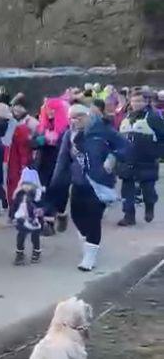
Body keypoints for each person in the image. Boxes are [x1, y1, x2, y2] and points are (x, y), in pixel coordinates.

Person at [50, 103, 128, 271]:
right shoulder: (69, 135)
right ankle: (88, 243)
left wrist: (113, 157)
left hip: (99, 183)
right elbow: (62, 160)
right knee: (78, 218)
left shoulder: (103, 131)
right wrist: (55, 185)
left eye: (79, 116)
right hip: (78, 182)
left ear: (89, 116)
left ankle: (90, 256)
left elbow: (125, 146)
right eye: (71, 117)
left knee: (93, 220)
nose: (75, 120)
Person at [116, 90, 164, 226]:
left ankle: (150, 207)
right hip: (127, 161)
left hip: (147, 161)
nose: (136, 104)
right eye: (134, 101)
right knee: (127, 191)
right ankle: (128, 216)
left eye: (140, 101)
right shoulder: (125, 118)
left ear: (146, 102)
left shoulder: (153, 118)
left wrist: (157, 153)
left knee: (148, 189)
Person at [36, 97, 70, 233]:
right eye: (48, 109)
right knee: (45, 192)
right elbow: (33, 142)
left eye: (53, 109)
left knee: (58, 193)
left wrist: (55, 141)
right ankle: (47, 223)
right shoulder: (42, 126)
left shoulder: (66, 128)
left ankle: (59, 215)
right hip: (43, 163)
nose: (50, 112)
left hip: (60, 163)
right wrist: (40, 140)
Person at [10, 168, 44, 266]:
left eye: (30, 184)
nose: (27, 187)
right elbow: (14, 206)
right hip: (22, 220)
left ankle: (36, 251)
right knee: (20, 236)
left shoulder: (38, 196)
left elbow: (42, 209)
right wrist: (12, 217)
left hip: (34, 221)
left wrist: (41, 219)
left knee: (35, 237)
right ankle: (20, 253)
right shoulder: (19, 195)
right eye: (25, 184)